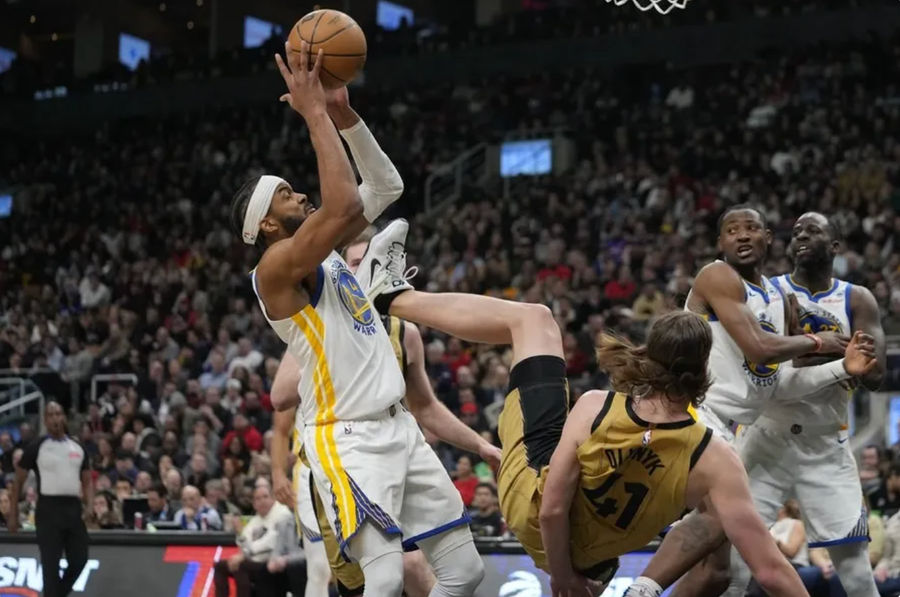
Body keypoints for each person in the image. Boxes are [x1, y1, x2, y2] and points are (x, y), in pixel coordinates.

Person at [358, 220, 834, 597]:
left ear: (650, 357)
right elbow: (772, 571)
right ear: (706, 373)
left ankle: (394, 296)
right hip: (595, 559)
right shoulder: (715, 460)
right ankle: (644, 588)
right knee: (715, 518)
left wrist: (560, 576)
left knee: (534, 320)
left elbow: (554, 510)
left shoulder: (596, 407)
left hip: (535, 509)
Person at [232, 43, 483, 597]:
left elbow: (387, 189)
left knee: (466, 574)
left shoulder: (320, 249)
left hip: (398, 426)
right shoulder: (276, 269)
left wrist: (344, 114)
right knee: (386, 577)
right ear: (267, 226)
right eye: (284, 195)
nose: (297, 192)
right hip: (343, 437)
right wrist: (313, 113)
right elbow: (345, 203)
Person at [616, 206, 877, 597]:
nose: (741, 235)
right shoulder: (717, 275)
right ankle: (642, 588)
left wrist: (845, 367)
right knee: (726, 524)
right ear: (720, 243)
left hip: (737, 427)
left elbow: (778, 384)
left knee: (718, 572)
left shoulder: (776, 297)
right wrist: (821, 342)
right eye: (732, 230)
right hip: (694, 413)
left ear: (768, 238)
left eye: (751, 228)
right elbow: (759, 350)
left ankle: (644, 588)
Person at [269, 227, 502, 597]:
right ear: (345, 272)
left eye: (372, 263)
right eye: (358, 264)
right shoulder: (319, 317)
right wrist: (329, 341)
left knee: (456, 571)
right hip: (343, 453)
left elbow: (426, 407)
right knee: (368, 581)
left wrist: (481, 447)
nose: (368, 271)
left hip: (398, 438)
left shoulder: (404, 332)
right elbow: (280, 395)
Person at [728, 212, 887, 597]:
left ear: (834, 246)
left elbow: (876, 373)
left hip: (825, 442)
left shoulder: (856, 298)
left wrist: (842, 361)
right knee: (732, 559)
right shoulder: (770, 292)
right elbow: (769, 363)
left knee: (855, 570)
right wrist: (840, 358)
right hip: (766, 436)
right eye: (796, 231)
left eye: (812, 231)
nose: (800, 236)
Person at [8, 402, 93, 597]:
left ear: (63, 417)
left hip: (73, 509)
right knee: (50, 567)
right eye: (51, 415)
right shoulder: (37, 447)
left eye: (58, 413)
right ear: (45, 420)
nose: (55, 418)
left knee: (80, 560)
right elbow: (18, 481)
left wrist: (89, 505)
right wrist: (13, 514)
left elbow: (87, 480)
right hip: (48, 510)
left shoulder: (77, 447)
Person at [213, 484, 298, 597]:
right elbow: (243, 544)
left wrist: (244, 555)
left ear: (273, 498)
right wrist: (240, 533)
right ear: (254, 504)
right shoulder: (255, 520)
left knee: (241, 565)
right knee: (220, 566)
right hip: (255, 561)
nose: (262, 501)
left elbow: (272, 541)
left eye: (265, 497)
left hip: (276, 562)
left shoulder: (283, 514)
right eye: (257, 499)